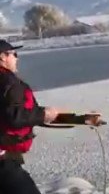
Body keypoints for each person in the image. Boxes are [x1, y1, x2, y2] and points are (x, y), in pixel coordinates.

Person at [0, 39, 61, 194]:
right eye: (14, 54)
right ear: (3, 57)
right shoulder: (9, 83)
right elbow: (15, 117)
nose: (16, 58)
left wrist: (45, 116)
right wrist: (43, 115)